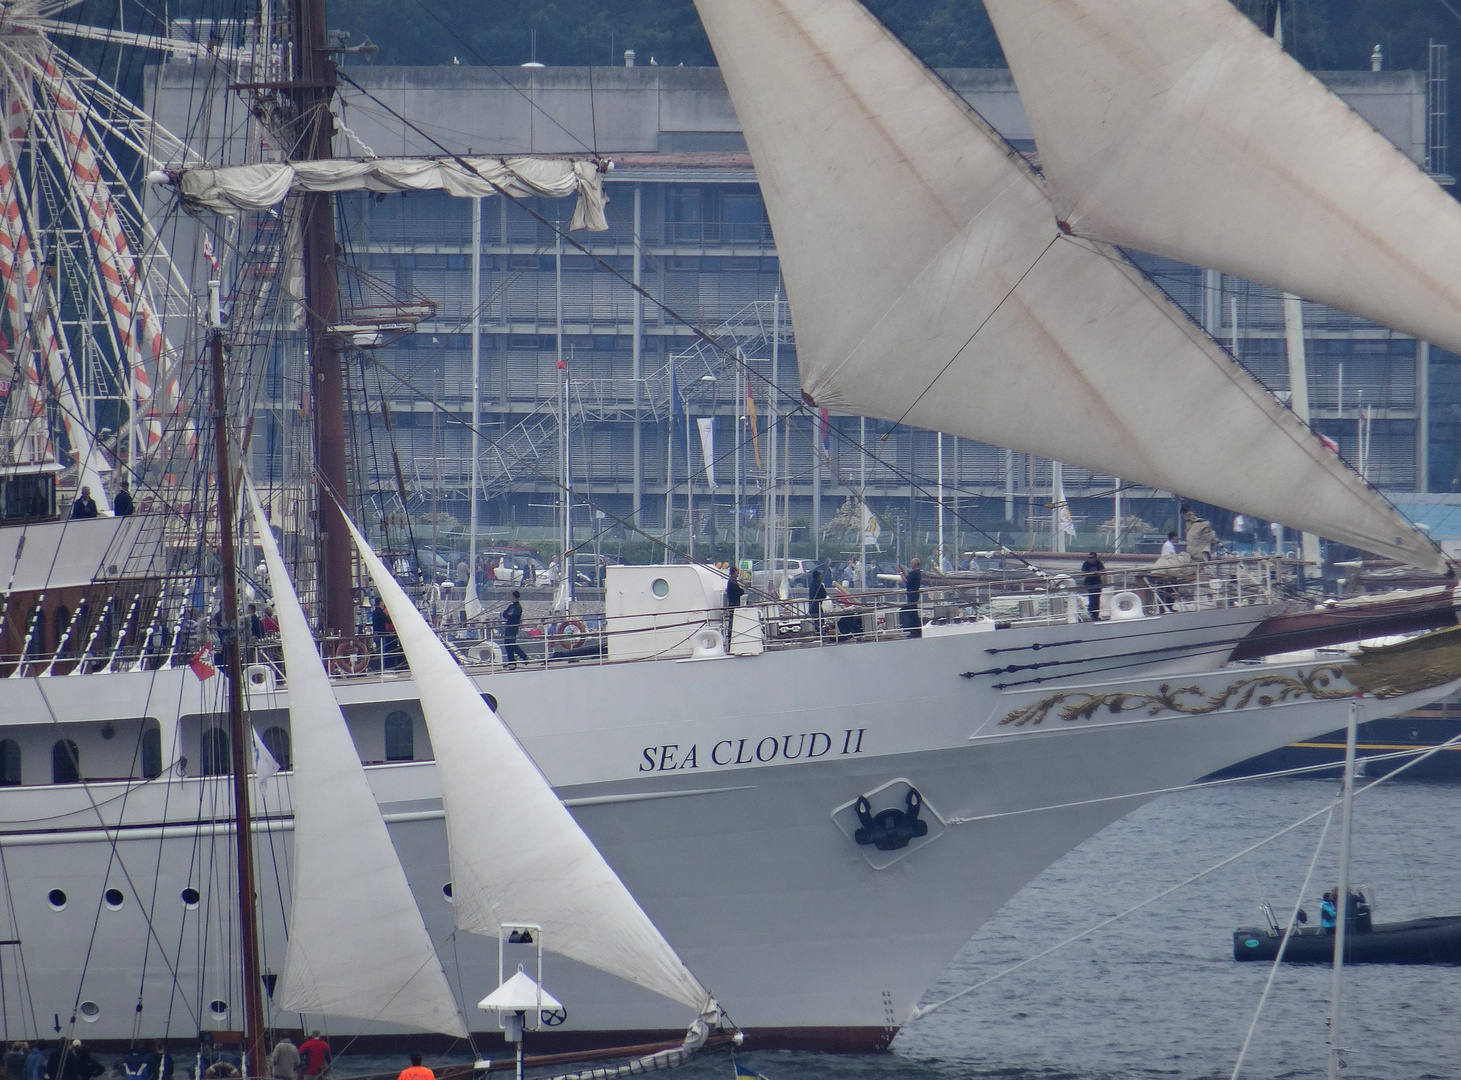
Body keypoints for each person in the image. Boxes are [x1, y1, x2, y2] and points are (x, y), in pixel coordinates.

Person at [501, 590, 528, 667]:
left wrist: (509, 614)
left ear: (514, 597)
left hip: (513, 628)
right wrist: (508, 614)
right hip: (508, 627)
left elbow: (514, 616)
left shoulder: (518, 607)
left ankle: (523, 656)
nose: (510, 597)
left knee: (512, 643)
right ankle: (511, 661)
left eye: (511, 596)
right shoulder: (511, 606)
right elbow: (505, 614)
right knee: (507, 644)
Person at [900, 558, 923, 638]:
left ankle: (915, 631)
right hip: (914, 594)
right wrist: (903, 571)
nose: (910, 564)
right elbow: (908, 579)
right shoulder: (916, 572)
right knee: (913, 612)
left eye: (912, 562)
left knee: (913, 612)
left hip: (912, 594)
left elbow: (906, 580)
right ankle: (916, 630)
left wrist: (900, 573)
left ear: (915, 564)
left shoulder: (915, 573)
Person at [1080, 552, 1105, 621]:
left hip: (1097, 583)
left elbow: (1103, 570)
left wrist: (1098, 572)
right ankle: (1091, 612)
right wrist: (1090, 574)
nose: (1090, 559)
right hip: (1089, 583)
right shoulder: (1086, 564)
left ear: (1095, 558)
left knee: (1097, 599)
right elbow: (1082, 573)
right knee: (1092, 598)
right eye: (1089, 557)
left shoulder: (1098, 563)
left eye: (1092, 558)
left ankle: (1096, 615)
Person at [808, 568, 827, 638]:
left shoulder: (812, 585)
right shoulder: (819, 585)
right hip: (817, 606)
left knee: (815, 621)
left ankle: (817, 632)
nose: (821, 577)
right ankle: (820, 634)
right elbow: (824, 595)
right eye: (820, 576)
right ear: (818, 577)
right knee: (820, 620)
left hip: (811, 606)